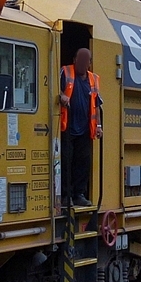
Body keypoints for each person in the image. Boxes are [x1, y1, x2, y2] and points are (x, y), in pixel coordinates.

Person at [59, 48, 102, 208]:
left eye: (87, 60)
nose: (83, 63)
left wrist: (98, 125)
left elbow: (97, 104)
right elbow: (51, 87)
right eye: (80, 60)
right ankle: (66, 196)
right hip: (67, 127)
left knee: (83, 162)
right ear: (74, 60)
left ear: (90, 63)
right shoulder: (65, 72)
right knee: (66, 162)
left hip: (85, 129)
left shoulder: (94, 79)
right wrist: (61, 94)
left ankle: (79, 194)